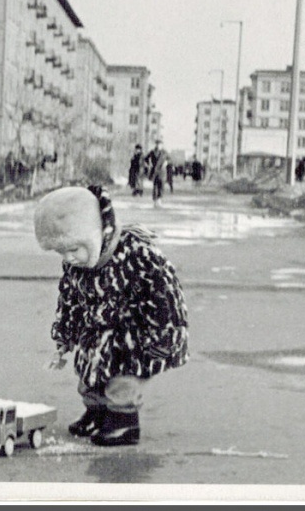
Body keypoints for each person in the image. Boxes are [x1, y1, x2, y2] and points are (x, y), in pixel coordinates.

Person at [34, 185, 189, 446]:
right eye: (62, 252)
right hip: (96, 333)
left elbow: (165, 298)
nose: (69, 258)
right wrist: (65, 335)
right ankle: (96, 413)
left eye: (74, 249)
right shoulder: (78, 265)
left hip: (135, 337)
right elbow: (70, 300)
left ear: (95, 235)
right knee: (88, 376)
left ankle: (123, 421)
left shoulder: (138, 256)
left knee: (122, 382)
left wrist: (160, 341)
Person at [144, 138, 169, 207]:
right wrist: (149, 164)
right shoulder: (152, 152)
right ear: (156, 145)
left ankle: (159, 200)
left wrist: (166, 163)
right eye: (157, 144)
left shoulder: (165, 152)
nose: (158, 146)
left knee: (161, 186)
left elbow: (169, 159)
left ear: (162, 145)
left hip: (162, 172)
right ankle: (155, 201)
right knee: (155, 186)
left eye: (160, 144)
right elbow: (146, 159)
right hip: (154, 171)